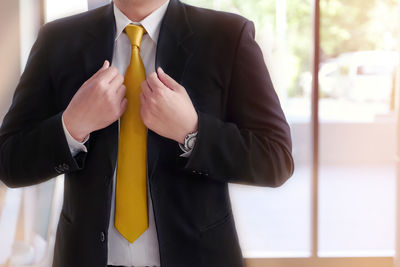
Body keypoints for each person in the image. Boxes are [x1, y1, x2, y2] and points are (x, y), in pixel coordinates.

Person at [0, 0, 294, 266]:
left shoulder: (227, 36)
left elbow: (275, 159)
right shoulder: (58, 39)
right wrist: (72, 125)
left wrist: (193, 133)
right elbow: (9, 162)